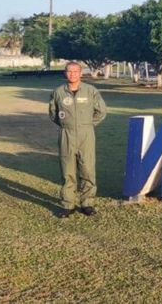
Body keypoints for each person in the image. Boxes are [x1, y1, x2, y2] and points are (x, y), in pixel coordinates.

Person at [48, 62, 107, 218]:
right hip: (66, 134)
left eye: (75, 71)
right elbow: (53, 114)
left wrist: (87, 124)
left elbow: (101, 112)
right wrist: (67, 125)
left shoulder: (91, 91)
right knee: (67, 170)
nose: (72, 74)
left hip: (86, 133)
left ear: (81, 73)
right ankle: (68, 204)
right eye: (69, 71)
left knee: (87, 169)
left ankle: (87, 203)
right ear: (65, 73)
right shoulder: (58, 92)